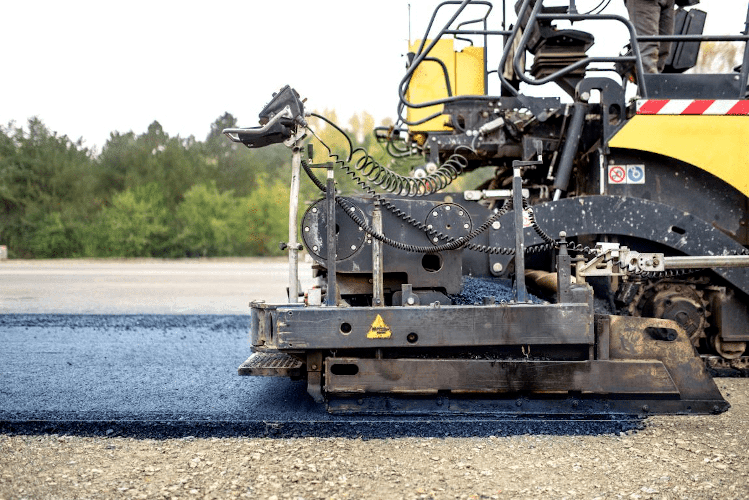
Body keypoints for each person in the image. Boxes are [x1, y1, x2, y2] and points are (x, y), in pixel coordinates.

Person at [625, 0, 676, 73]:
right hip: (644, 2)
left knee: (663, 50)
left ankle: (653, 81)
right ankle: (650, 82)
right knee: (648, 50)